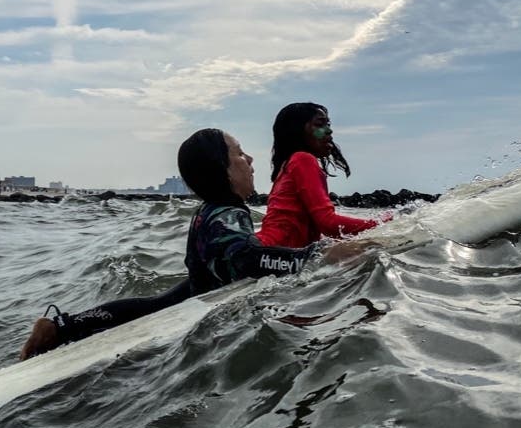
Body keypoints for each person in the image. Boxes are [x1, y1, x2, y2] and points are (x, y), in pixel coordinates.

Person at [19, 128, 329, 360]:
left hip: (199, 287)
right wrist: (315, 257)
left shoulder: (212, 209)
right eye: (239, 153)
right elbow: (246, 257)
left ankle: (62, 326)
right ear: (221, 168)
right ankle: (61, 327)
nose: (249, 160)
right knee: (158, 304)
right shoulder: (226, 214)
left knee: (156, 303)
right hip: (199, 302)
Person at [257, 102, 387, 249]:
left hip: (267, 251)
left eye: (328, 124)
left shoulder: (288, 166)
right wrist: (386, 226)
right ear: (298, 131)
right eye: (320, 125)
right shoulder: (302, 159)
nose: (329, 131)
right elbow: (328, 223)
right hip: (273, 252)